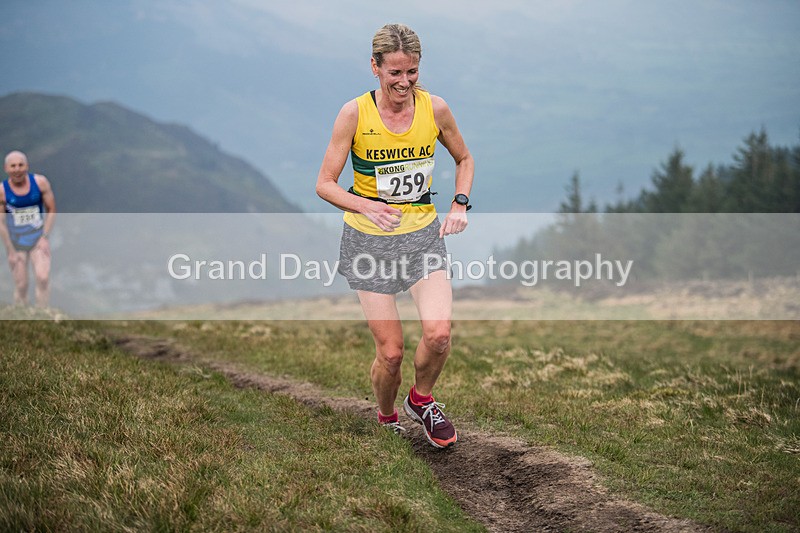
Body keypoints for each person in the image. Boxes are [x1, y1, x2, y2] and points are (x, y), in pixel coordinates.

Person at [316, 23, 474, 448]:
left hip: (422, 236)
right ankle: (387, 415)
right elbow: (325, 183)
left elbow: (464, 157)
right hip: (368, 241)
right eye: (395, 74)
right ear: (375, 68)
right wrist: (367, 205)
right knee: (391, 354)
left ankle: (421, 401)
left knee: (439, 335)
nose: (404, 82)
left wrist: (459, 202)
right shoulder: (354, 114)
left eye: (413, 72)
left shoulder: (435, 109)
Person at [1, 151, 56, 307]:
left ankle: (42, 315)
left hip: (38, 238)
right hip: (16, 242)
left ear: (27, 166)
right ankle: (21, 316)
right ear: (6, 168)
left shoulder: (40, 183)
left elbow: (52, 209)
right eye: (13, 166)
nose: (17, 169)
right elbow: (1, 222)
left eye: (21, 165)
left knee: (43, 278)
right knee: (21, 284)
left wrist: (45, 237)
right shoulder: (2, 191)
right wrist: (10, 250)